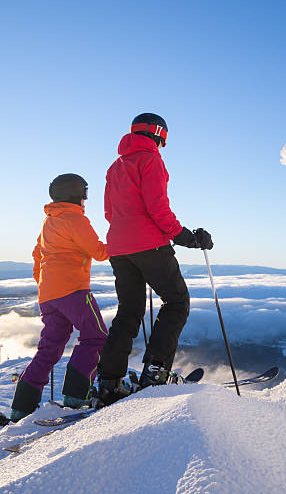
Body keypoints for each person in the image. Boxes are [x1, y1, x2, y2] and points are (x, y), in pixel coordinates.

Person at [97, 113, 213, 405]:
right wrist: (187, 236)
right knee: (176, 302)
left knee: (129, 311)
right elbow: (157, 207)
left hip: (119, 248)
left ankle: (109, 383)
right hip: (150, 245)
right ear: (159, 134)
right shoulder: (151, 161)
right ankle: (156, 373)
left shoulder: (115, 166)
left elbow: (110, 213)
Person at [10, 174, 108, 422]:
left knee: (49, 348)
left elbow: (36, 255)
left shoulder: (49, 220)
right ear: (78, 194)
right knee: (95, 335)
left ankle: (21, 409)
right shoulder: (75, 218)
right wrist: (123, 244)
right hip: (73, 290)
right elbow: (98, 251)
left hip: (48, 294)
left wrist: (45, 284)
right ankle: (76, 397)